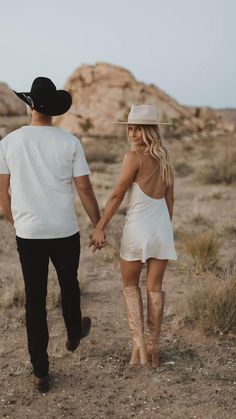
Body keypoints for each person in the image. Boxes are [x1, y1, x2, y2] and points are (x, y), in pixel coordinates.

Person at [0, 77, 101, 392]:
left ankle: (40, 371)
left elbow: (2, 190)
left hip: (29, 232)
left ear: (30, 105)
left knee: (35, 299)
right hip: (64, 229)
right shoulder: (69, 142)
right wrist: (98, 223)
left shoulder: (9, 143)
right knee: (69, 283)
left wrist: (14, 219)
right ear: (54, 110)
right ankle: (73, 332)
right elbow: (83, 187)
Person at [91, 104, 177, 369]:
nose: (132, 133)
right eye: (130, 128)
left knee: (130, 286)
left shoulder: (133, 157)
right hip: (161, 228)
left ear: (149, 131)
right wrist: (165, 227)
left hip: (137, 228)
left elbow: (117, 194)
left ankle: (139, 345)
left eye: (138, 129)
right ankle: (154, 348)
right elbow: (170, 199)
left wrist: (100, 225)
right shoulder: (164, 157)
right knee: (155, 289)